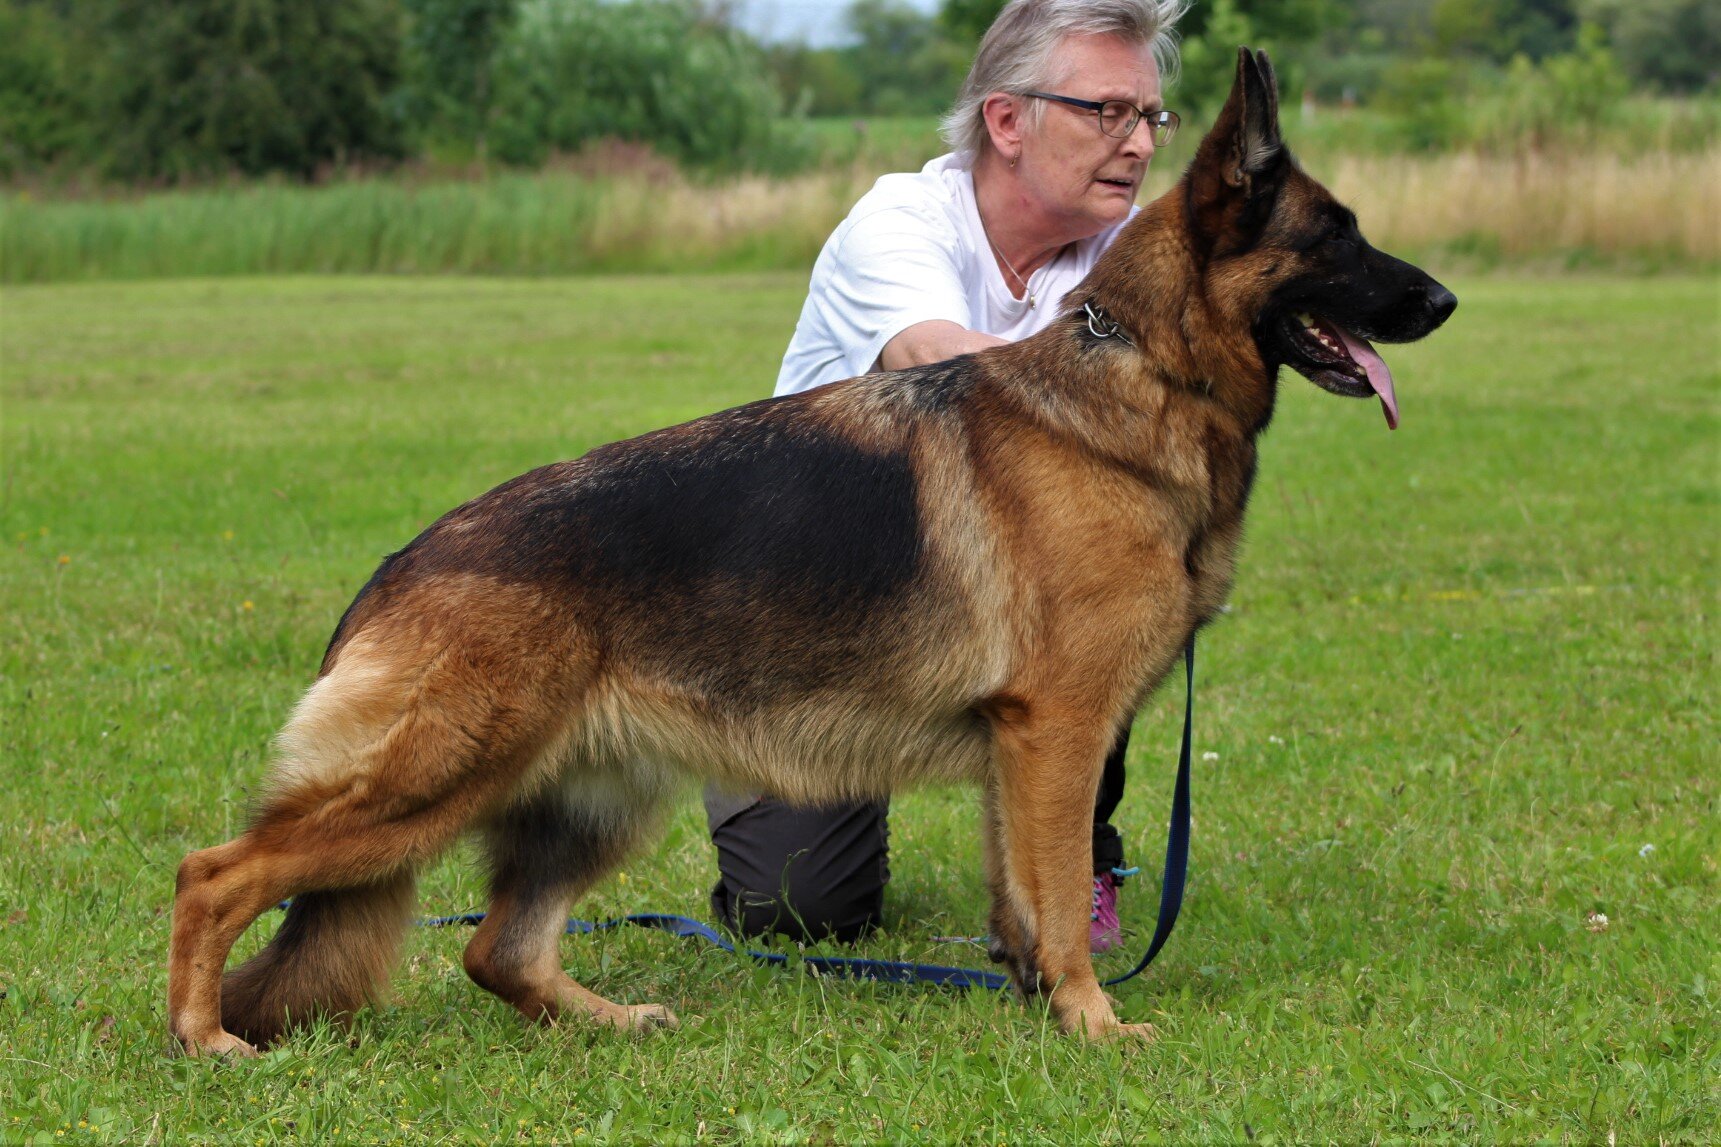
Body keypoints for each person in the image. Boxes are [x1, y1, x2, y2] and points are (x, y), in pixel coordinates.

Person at [706, 0, 1187, 954]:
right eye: (1106, 112)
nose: (1137, 144)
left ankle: (1076, 854)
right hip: (825, 611)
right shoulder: (896, 223)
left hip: (1007, 589)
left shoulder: (1126, 250)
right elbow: (941, 364)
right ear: (1007, 121)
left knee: (1100, 554)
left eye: (1151, 117)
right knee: (799, 910)